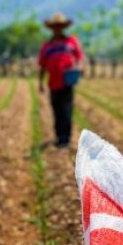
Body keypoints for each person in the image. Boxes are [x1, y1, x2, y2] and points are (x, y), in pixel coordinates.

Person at [38, 12, 84, 149]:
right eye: (55, 27)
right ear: (52, 28)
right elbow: (42, 66)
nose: (57, 29)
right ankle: (59, 136)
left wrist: (79, 69)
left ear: (63, 27)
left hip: (67, 82)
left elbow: (79, 58)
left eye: (60, 26)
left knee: (66, 110)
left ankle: (65, 138)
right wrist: (40, 83)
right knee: (56, 110)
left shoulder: (71, 42)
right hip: (53, 83)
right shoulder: (47, 46)